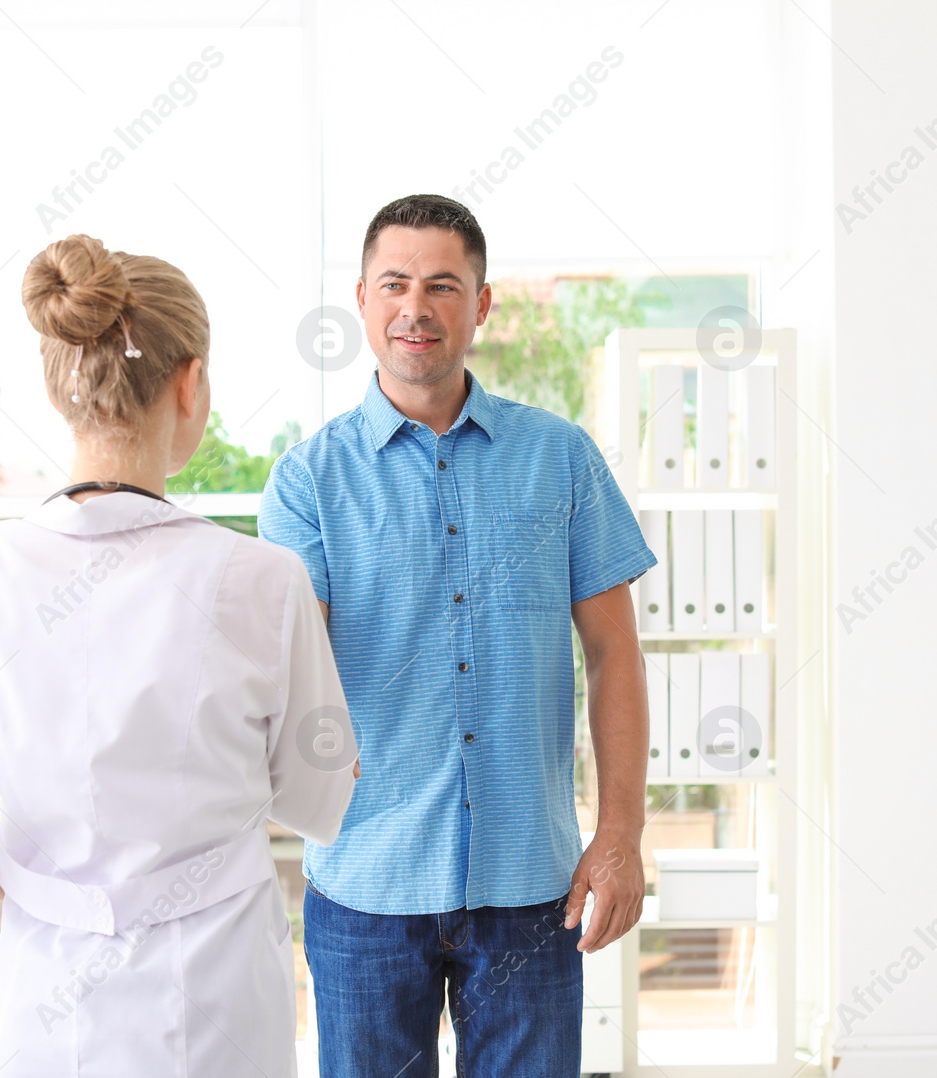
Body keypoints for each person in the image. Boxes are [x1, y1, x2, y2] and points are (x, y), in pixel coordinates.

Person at [0, 234, 356, 1077]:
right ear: (192, 385)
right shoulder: (264, 578)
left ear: (55, 386)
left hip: (37, 1008)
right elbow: (319, 800)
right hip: (219, 1013)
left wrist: (34, 883)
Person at [259, 194, 656, 1077]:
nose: (416, 307)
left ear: (481, 304)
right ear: (361, 298)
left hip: (531, 885)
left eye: (444, 285)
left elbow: (615, 655)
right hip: (365, 881)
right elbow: (293, 673)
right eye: (395, 283)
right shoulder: (307, 481)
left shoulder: (561, 459)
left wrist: (621, 832)